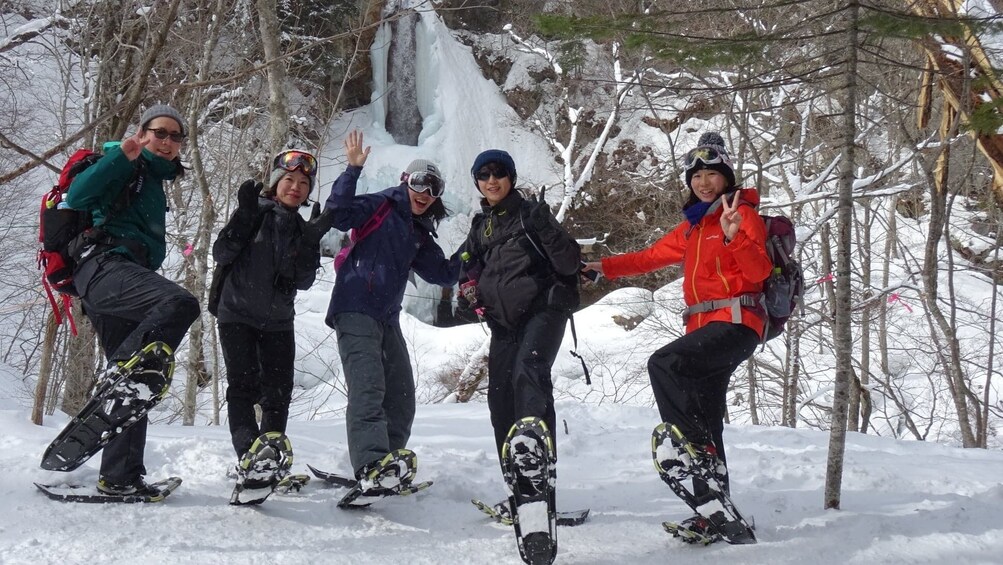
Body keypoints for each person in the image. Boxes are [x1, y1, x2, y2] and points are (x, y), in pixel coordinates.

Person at [582, 132, 772, 525]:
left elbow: (760, 272)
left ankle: (692, 451)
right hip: (703, 327)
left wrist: (735, 236)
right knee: (705, 412)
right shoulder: (694, 227)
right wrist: (604, 267)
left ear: (726, 177)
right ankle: (717, 511)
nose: (703, 182)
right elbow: (650, 257)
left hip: (737, 322)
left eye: (711, 174)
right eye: (696, 175)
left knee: (665, 363)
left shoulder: (742, 214)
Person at [64, 104, 201, 496]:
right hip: (103, 268)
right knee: (180, 304)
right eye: (160, 132)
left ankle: (120, 478)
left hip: (120, 278)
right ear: (142, 133)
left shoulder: (154, 179)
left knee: (136, 382)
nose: (167, 142)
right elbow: (77, 195)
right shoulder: (124, 162)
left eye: (176, 137)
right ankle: (122, 379)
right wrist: (122, 157)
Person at [324, 130, 460, 487]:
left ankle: (387, 465)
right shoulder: (381, 205)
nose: (425, 194)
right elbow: (338, 214)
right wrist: (352, 170)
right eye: (420, 183)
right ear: (405, 181)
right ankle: (371, 465)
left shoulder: (418, 231)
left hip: (387, 317)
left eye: (434, 188)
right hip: (354, 307)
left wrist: (476, 248)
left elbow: (444, 274)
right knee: (368, 388)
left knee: (401, 396)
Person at [459, 149, 581, 502]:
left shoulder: (531, 215)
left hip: (543, 310)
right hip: (503, 323)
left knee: (529, 373)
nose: (491, 181)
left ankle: (537, 474)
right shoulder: (481, 225)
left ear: (510, 177)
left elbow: (570, 262)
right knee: (500, 398)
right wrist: (468, 291)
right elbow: (468, 267)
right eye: (484, 175)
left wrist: (545, 225)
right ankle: (520, 488)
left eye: (498, 173)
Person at [211, 149, 332, 475]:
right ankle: (250, 457)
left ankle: (270, 456)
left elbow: (305, 281)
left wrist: (310, 242)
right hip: (237, 313)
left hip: (278, 321)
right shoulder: (256, 212)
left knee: (278, 394)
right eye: (289, 180)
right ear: (276, 182)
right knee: (243, 387)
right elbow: (221, 253)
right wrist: (243, 216)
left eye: (304, 183)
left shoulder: (299, 227)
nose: (296, 187)